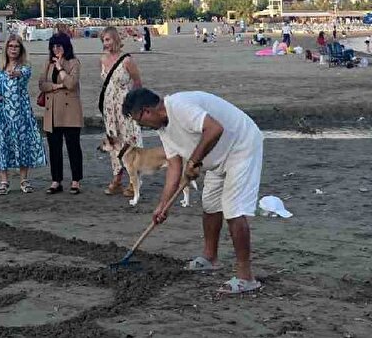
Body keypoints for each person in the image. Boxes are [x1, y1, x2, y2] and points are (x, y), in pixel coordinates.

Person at [124, 88, 266, 295]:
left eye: (138, 120)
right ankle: (210, 258)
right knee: (210, 205)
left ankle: (246, 277)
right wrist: (163, 205)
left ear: (147, 111)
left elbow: (214, 128)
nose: (140, 126)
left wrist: (193, 161)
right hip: (215, 158)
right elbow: (174, 167)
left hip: (241, 147)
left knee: (233, 209)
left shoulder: (180, 107)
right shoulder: (163, 129)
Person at [0, 35, 46, 195]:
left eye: (16, 46)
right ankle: (4, 181)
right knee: (1, 145)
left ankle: (24, 179)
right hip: (0, 115)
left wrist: (17, 73)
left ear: (21, 49)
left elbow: (23, 75)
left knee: (22, 144)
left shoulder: (24, 67)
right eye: (10, 46)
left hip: (20, 114)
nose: (13, 49)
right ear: (6, 48)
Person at [99, 26, 143, 197]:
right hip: (109, 109)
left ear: (116, 39)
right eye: (103, 40)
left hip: (125, 107)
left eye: (108, 39)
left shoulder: (127, 60)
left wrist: (135, 105)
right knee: (113, 141)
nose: (105, 43)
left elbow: (137, 82)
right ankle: (117, 178)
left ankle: (134, 180)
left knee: (130, 140)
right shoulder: (102, 59)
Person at [38, 33, 83, 195]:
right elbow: (42, 84)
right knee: (54, 148)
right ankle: (56, 180)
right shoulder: (47, 63)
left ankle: (76, 180)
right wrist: (57, 86)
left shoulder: (74, 62)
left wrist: (60, 68)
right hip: (52, 111)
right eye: (53, 46)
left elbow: (71, 84)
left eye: (59, 46)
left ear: (66, 46)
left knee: (73, 147)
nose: (56, 49)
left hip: (70, 111)